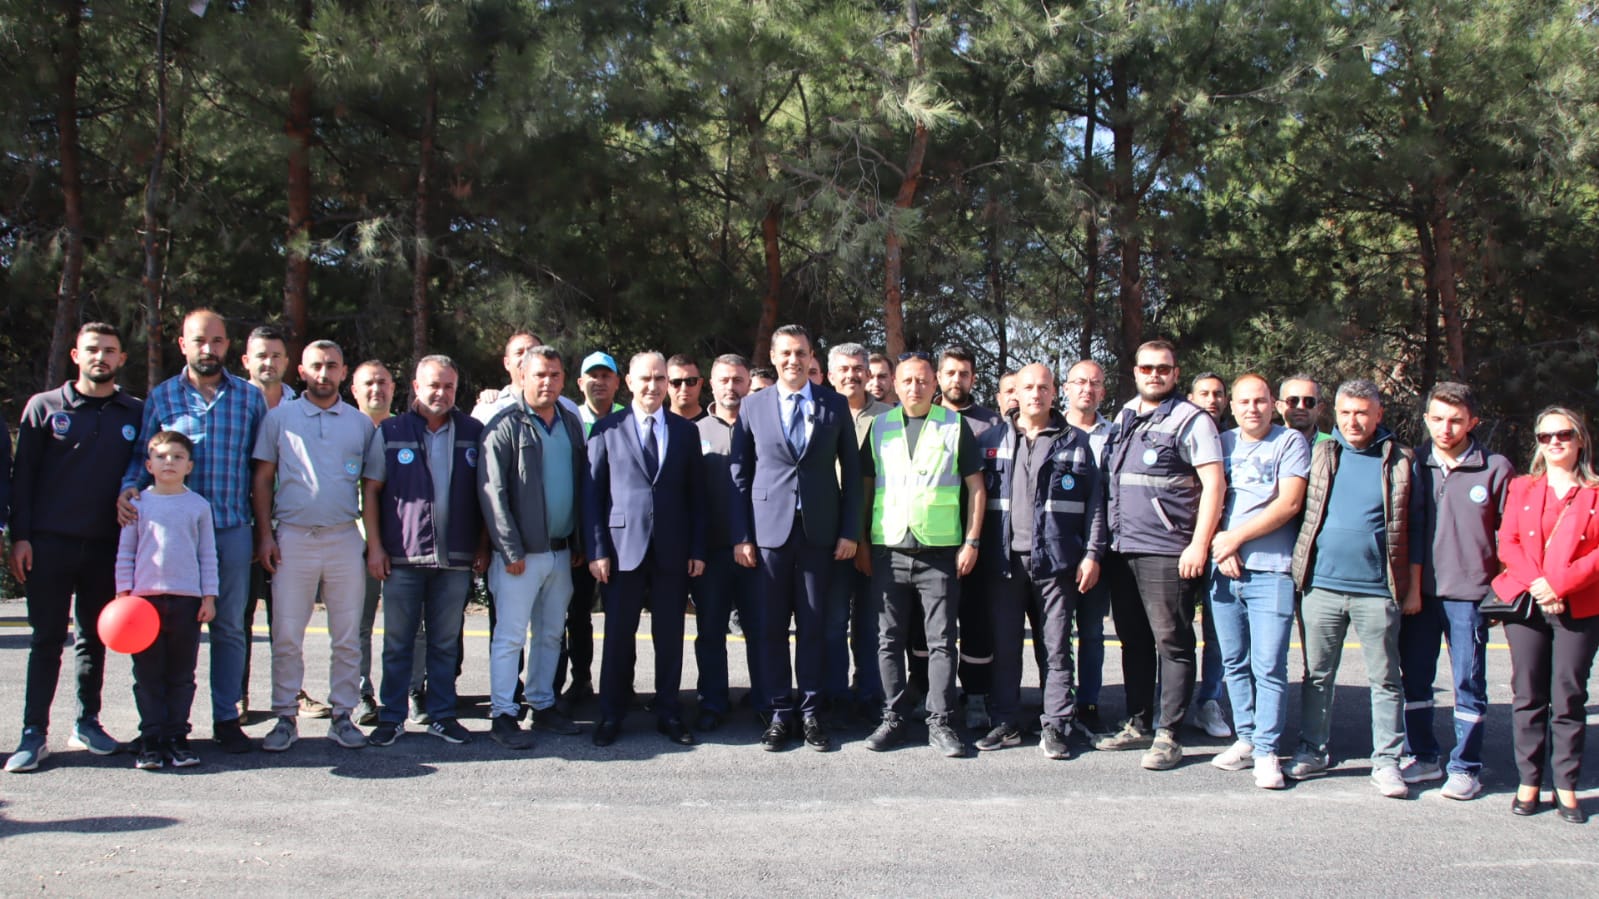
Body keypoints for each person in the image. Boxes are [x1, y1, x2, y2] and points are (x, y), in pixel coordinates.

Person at [120, 309, 265, 754]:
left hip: (231, 528)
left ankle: (227, 718)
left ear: (228, 347)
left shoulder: (249, 398)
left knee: (229, 628)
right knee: (166, 633)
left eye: (218, 341)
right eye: (200, 340)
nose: (209, 349)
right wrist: (128, 490)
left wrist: (265, 529)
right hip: (173, 538)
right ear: (183, 344)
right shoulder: (163, 398)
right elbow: (142, 458)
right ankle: (162, 725)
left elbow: (262, 470)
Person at [5, 323, 144, 772]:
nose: (100, 357)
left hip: (107, 545)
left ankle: (88, 721)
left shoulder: (135, 412)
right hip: (48, 544)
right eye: (91, 350)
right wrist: (19, 537)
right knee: (46, 639)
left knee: (94, 640)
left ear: (122, 358)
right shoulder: (44, 408)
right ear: (75, 355)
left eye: (109, 350)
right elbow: (21, 479)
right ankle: (33, 733)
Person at [730, 324, 862, 752]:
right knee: (769, 628)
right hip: (768, 535)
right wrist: (743, 536)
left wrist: (848, 531)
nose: (793, 360)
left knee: (814, 627)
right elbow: (739, 476)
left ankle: (809, 712)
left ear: (811, 357)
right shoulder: (753, 407)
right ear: (773, 356)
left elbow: (854, 476)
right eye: (785, 353)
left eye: (801, 353)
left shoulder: (833, 404)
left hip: (818, 534)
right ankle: (778, 712)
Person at [1097, 340, 1225, 771]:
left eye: (1163, 369)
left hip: (1168, 551)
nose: (1155, 375)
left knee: (1172, 641)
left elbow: (1214, 485)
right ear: (1135, 372)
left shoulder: (1192, 420)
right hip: (1124, 548)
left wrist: (1198, 544)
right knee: (1133, 641)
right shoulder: (1126, 415)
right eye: (1147, 368)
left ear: (1176, 373)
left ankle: (1170, 734)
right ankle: (1139, 723)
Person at [1287, 379, 1415, 798]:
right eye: (1345, 412)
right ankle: (1312, 750)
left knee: (1385, 678)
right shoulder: (1320, 453)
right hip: (1321, 585)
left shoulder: (1400, 460)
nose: (1353, 420)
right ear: (1334, 414)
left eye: (1362, 412)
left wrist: (1412, 585)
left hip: (1377, 589)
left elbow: (1416, 525)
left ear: (1379, 414)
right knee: (1318, 675)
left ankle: (1387, 761)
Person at [252, 340, 377, 753]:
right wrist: (266, 535)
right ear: (301, 371)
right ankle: (284, 716)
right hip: (292, 536)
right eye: (316, 366)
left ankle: (343, 715)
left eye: (333, 366)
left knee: (346, 636)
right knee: (287, 633)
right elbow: (263, 479)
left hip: (343, 537)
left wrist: (371, 544)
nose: (324, 374)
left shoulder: (359, 424)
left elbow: (370, 488)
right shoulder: (279, 419)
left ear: (344, 372)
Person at [975, 363, 1105, 760]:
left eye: (1043, 387)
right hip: (1004, 562)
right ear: (1015, 392)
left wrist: (1092, 554)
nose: (1035, 394)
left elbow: (1096, 504)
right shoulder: (991, 438)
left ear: (1054, 393)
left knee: (1055, 648)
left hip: (1056, 563)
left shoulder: (1075, 442)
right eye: (1027, 387)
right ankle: (1007, 721)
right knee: (1005, 646)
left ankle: (1056, 726)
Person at [860, 353, 986, 756]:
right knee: (888, 639)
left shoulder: (955, 426)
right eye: (907, 380)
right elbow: (865, 488)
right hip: (888, 548)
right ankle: (893, 717)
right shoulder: (879, 427)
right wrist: (862, 541)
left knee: (942, 641)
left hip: (940, 551)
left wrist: (972, 541)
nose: (915, 387)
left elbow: (976, 488)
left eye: (922, 380)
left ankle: (941, 721)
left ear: (934, 385)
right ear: (895, 385)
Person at [362, 356, 488, 747]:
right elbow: (370, 491)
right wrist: (375, 547)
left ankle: (442, 714)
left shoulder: (473, 432)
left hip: (455, 559)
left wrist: (482, 548)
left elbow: (485, 495)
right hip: (402, 557)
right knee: (398, 641)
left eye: (449, 387)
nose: (441, 393)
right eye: (434, 385)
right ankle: (392, 715)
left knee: (445, 642)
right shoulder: (391, 431)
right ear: (415, 386)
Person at [1397, 382, 1514, 800]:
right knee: (1416, 680)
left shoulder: (1495, 468)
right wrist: (1408, 586)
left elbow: (1510, 535)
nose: (1446, 428)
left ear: (1472, 422)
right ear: (1426, 418)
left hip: (1469, 596)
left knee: (1468, 681)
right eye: (1438, 419)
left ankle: (1466, 766)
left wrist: (1499, 591)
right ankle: (1424, 756)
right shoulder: (1411, 463)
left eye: (1456, 420)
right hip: (1420, 596)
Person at [584, 352, 707, 746]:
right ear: (629, 382)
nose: (653, 386)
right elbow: (593, 495)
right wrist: (597, 549)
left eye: (660, 379)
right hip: (622, 551)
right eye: (645, 379)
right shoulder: (606, 429)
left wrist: (697, 548)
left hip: (672, 550)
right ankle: (611, 714)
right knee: (619, 636)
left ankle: (670, 712)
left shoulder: (685, 432)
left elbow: (695, 497)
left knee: (670, 637)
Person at [1492, 407, 1599, 825]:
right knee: (1528, 693)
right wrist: (1540, 585)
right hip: (1528, 604)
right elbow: (1508, 542)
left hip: (1580, 605)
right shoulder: (1523, 487)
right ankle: (1529, 781)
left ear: (1580, 439)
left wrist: (1560, 586)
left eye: (1564, 434)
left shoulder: (1594, 492)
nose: (1555, 442)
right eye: (1545, 436)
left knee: (1569, 697)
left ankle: (1567, 783)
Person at [478, 345, 588, 750]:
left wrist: (578, 542)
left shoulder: (571, 424)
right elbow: (493, 492)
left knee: (550, 635)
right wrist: (510, 550)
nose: (547, 382)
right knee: (509, 637)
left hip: (561, 552)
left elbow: (580, 487)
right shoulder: (504, 426)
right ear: (521, 376)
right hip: (520, 557)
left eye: (555, 375)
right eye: (539, 374)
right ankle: (503, 713)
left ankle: (542, 705)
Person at [1205, 375, 1309, 789]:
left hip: (1272, 570)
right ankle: (1245, 737)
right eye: (1245, 401)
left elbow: (1290, 502)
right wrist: (1220, 546)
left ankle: (1267, 750)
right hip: (1224, 569)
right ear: (1232, 405)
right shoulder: (1222, 443)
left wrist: (1235, 539)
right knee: (1233, 661)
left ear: (1275, 405)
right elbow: (1205, 500)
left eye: (1261, 401)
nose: (1253, 408)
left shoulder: (1289, 443)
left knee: (1269, 665)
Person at [115, 431, 218, 770]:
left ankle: (177, 737)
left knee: (181, 674)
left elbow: (208, 556)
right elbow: (126, 553)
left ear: (189, 465)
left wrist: (209, 597)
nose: (168, 462)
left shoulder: (198, 506)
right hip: (143, 606)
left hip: (187, 603)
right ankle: (151, 738)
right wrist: (123, 595)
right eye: (160, 456)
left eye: (176, 457)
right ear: (149, 464)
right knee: (147, 674)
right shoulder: (139, 505)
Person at [239, 325, 314, 719]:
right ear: (246, 361)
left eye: (276, 356)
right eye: (261, 355)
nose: (269, 362)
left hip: (289, 527)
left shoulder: (298, 407)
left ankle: (292, 693)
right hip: (242, 523)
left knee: (288, 617)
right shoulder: (233, 401)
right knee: (240, 615)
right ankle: (238, 695)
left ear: (288, 363)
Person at [691, 354, 765, 731]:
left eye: (738, 380)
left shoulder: (764, 426)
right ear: (712, 383)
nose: (731, 387)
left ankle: (766, 700)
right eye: (724, 380)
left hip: (758, 551)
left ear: (749, 382)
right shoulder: (695, 430)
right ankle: (713, 701)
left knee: (760, 629)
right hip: (712, 552)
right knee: (711, 631)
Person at [935, 346, 1003, 730]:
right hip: (931, 541)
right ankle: (927, 693)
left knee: (976, 623)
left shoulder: (990, 425)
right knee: (930, 626)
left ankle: (977, 695)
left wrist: (975, 540)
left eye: (964, 373)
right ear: (939, 378)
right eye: (950, 373)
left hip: (977, 542)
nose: (956, 380)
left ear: (973, 379)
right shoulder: (923, 419)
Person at [824, 343, 893, 721]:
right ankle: (834, 696)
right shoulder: (819, 411)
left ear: (868, 373)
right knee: (832, 622)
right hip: (828, 537)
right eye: (843, 369)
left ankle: (869, 693)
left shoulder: (888, 417)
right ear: (831, 375)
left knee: (871, 623)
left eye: (857, 368)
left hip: (876, 536)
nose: (851, 375)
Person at [555, 351, 625, 710]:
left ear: (617, 381)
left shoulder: (628, 420)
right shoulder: (567, 421)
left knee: (621, 615)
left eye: (606, 375)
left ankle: (621, 686)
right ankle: (579, 679)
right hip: (577, 535)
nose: (599, 381)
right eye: (591, 376)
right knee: (575, 612)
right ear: (579, 383)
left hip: (623, 536)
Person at [1062, 359, 1113, 735]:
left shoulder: (1116, 434)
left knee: (1092, 630)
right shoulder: (1051, 431)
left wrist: (1094, 551)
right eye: (1080, 382)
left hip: (1099, 548)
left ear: (1103, 392)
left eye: (1095, 383)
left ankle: (1088, 701)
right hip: (1058, 549)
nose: (1087, 389)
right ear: (1065, 388)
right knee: (1056, 632)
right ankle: (1057, 701)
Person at [351, 359, 402, 726]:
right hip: (353, 542)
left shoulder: (405, 429)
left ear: (394, 388)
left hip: (403, 543)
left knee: (409, 626)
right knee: (358, 624)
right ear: (353, 390)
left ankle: (413, 691)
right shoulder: (343, 428)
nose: (376, 390)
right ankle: (361, 692)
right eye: (368, 383)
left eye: (383, 383)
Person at [1186, 371, 1232, 741]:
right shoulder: (1182, 435)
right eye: (1204, 393)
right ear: (1191, 397)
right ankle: (1169, 701)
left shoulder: (1233, 441)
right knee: (1175, 630)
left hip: (1223, 551)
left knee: (1216, 633)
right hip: (1182, 547)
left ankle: (1209, 700)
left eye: (1218, 394)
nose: (1212, 400)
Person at [472, 330, 579, 424]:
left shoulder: (569, 409)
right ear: (507, 363)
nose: (526, 357)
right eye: (519, 353)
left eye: (533, 351)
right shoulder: (489, 409)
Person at [1277, 374, 1331, 444]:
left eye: (1309, 401)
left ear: (1319, 408)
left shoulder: (1334, 446)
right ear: (1279, 407)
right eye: (1293, 401)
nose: (1301, 406)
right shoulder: (1266, 445)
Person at [667, 353, 708, 422]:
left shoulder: (714, 424)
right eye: (676, 382)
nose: (684, 388)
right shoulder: (658, 424)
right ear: (666, 385)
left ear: (700, 383)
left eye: (690, 381)